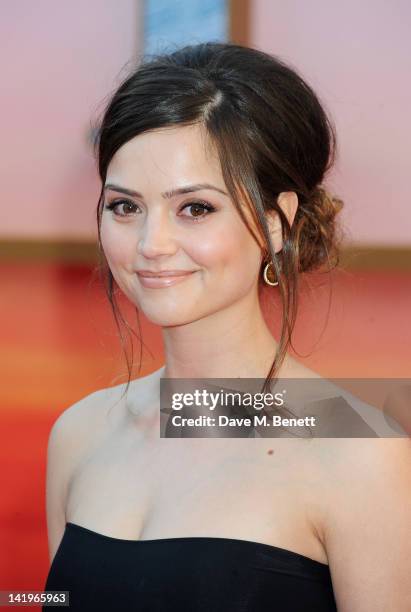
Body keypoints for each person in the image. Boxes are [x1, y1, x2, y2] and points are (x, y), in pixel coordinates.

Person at [43, 42, 411, 611]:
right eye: (124, 207)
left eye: (195, 208)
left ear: (275, 223)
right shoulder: (81, 432)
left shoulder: (360, 454)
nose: (150, 246)